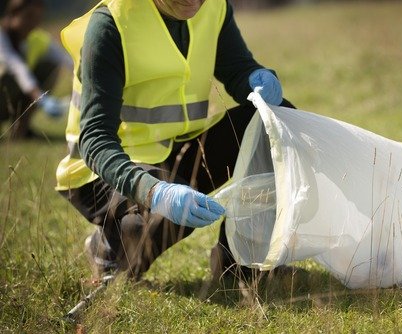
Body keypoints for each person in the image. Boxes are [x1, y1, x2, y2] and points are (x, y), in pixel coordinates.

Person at [56, 0, 294, 281]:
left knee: (276, 123)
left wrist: (254, 78)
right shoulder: (110, 25)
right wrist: (154, 192)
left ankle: (240, 264)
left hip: (175, 151)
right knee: (161, 219)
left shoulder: (214, 7)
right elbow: (95, 141)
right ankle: (107, 250)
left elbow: (237, 69)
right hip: (102, 171)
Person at [0, 0, 72, 139]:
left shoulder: (35, 38)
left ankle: (20, 131)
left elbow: (64, 59)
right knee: (8, 74)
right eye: (29, 17)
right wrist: (41, 99)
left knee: (49, 66)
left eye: (38, 19)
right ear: (13, 14)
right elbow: (17, 68)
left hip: (17, 97)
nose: (33, 24)